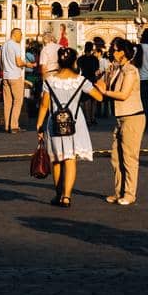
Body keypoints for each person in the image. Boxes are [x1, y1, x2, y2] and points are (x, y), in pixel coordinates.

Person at [35, 46, 102, 206]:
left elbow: (44, 105)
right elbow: (99, 97)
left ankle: (58, 194)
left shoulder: (49, 81)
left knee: (57, 159)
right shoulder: (80, 80)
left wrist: (39, 126)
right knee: (70, 159)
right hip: (75, 122)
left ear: (59, 61)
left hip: (54, 122)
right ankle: (67, 196)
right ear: (74, 62)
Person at [103, 37, 146, 206]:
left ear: (123, 52)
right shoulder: (118, 69)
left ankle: (129, 193)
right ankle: (119, 191)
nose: (112, 52)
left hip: (133, 116)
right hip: (120, 117)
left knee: (129, 157)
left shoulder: (130, 70)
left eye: (115, 49)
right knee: (115, 156)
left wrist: (104, 92)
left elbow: (123, 94)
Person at [0, 27, 27, 133]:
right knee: (18, 101)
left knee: (7, 102)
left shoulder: (4, 45)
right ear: (14, 34)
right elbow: (19, 63)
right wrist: (27, 64)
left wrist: (4, 70)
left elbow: (0, 61)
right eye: (20, 35)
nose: (21, 37)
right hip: (15, 76)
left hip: (6, 76)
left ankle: (6, 126)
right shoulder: (16, 46)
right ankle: (14, 126)